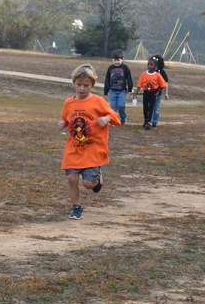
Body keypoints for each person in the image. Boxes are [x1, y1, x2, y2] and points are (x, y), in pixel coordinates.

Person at [57, 64, 121, 220]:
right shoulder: (69, 103)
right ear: (73, 83)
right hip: (74, 147)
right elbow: (67, 119)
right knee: (72, 178)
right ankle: (76, 208)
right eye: (79, 84)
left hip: (93, 148)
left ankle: (97, 177)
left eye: (86, 85)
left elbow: (114, 115)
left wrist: (106, 118)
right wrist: (62, 124)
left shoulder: (98, 101)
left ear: (92, 85)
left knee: (88, 184)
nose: (82, 88)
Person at [132, 56, 167, 130]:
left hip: (153, 93)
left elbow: (163, 85)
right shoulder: (144, 74)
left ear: (156, 66)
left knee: (151, 107)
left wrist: (158, 92)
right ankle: (145, 120)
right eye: (148, 64)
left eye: (151, 65)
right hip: (146, 92)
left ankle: (149, 122)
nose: (149, 66)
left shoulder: (157, 75)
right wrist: (136, 93)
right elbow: (139, 84)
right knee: (145, 107)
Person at [103, 49, 133, 125]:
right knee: (112, 107)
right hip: (112, 90)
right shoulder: (110, 68)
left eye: (118, 60)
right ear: (112, 60)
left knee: (121, 106)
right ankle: (113, 120)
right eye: (115, 60)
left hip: (122, 91)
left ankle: (123, 117)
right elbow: (107, 79)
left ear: (122, 59)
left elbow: (129, 78)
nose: (116, 62)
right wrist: (106, 90)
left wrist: (130, 89)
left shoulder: (125, 68)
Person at [151, 54, 169, 128]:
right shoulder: (149, 71)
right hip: (149, 93)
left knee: (156, 109)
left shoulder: (162, 72)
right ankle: (148, 120)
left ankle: (155, 122)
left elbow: (165, 83)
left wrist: (166, 93)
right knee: (149, 108)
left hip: (158, 94)